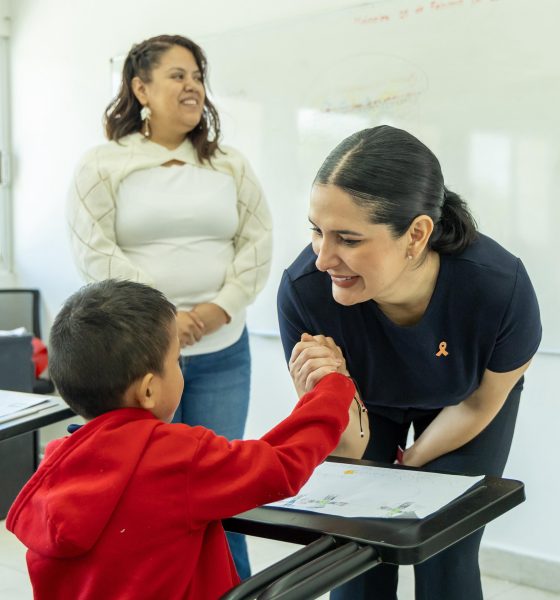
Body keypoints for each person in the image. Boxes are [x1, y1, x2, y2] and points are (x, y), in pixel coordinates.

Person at [277, 125, 542, 600]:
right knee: (355, 545)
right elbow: (348, 449)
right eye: (316, 231)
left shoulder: (498, 288)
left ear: (417, 234)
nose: (323, 259)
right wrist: (324, 395)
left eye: (348, 239)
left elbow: (481, 402)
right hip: (367, 404)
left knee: (446, 548)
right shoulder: (305, 293)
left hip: (465, 400)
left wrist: (413, 463)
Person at [6, 279, 357, 600]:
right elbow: (280, 464)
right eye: (176, 360)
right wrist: (333, 387)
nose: (179, 367)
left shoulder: (55, 464)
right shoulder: (176, 457)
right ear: (148, 390)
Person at [66, 34, 272, 578]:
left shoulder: (229, 164)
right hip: (141, 357)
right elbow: (93, 250)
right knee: (146, 492)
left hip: (223, 347)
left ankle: (233, 588)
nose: (192, 86)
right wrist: (165, 318)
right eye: (178, 75)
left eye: (198, 76)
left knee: (225, 488)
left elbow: (257, 241)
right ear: (141, 89)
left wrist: (220, 308)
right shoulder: (105, 163)